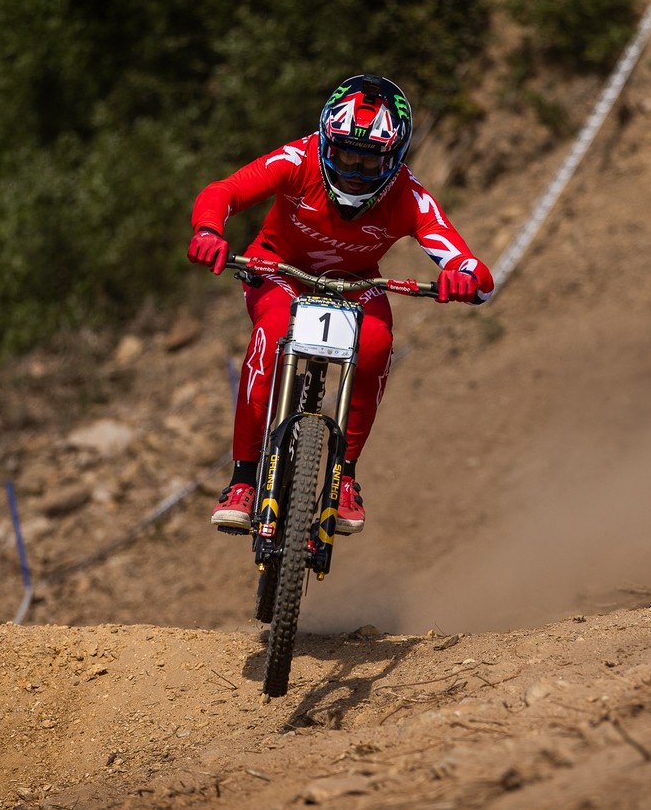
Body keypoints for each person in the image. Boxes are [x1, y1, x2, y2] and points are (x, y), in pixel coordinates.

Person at [187, 74, 493, 535]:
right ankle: (243, 479)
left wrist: (463, 278)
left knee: (375, 344)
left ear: (394, 159)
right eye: (344, 153)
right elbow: (223, 192)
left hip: (354, 282)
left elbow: (469, 265)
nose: (353, 169)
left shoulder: (409, 195)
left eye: (369, 161)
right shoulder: (297, 158)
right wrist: (209, 231)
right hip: (278, 266)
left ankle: (344, 476)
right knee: (272, 334)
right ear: (325, 140)